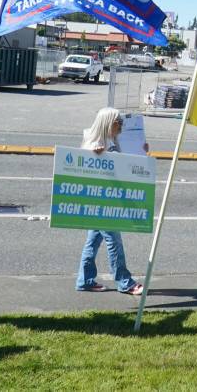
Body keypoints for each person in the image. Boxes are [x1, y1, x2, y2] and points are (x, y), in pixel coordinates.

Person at [75, 107, 145, 295]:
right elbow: (82, 164)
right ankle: (125, 282)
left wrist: (141, 152)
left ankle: (85, 280)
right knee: (114, 241)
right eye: (117, 122)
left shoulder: (113, 141)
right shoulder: (95, 142)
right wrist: (94, 154)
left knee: (93, 240)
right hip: (101, 200)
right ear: (107, 123)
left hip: (109, 198)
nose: (121, 125)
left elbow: (125, 164)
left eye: (121, 122)